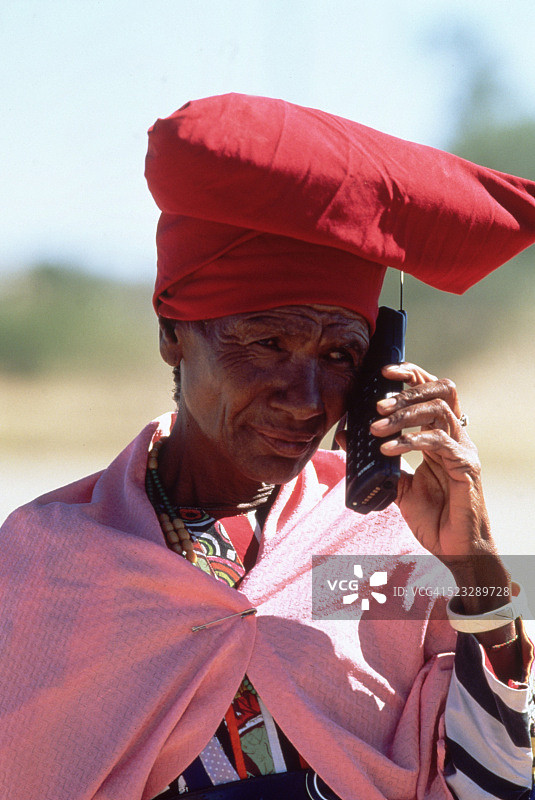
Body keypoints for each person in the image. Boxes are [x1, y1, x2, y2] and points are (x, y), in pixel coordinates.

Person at [2, 93, 535, 800]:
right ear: (172, 334)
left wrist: (477, 565)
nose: (307, 398)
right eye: (268, 344)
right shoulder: (46, 560)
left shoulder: (383, 546)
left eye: (341, 356)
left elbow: (498, 784)